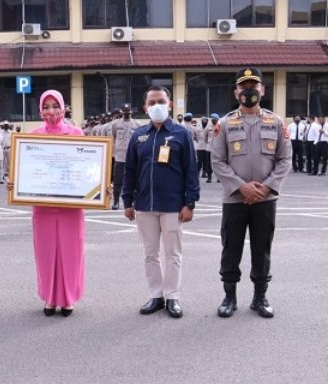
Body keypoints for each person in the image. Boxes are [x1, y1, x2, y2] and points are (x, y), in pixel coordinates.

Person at [211, 67, 291, 318]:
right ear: (236, 92)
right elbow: (218, 161)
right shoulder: (224, 124)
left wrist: (265, 187)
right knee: (231, 247)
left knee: (262, 247)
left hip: (265, 199)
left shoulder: (276, 122)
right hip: (234, 198)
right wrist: (241, 187)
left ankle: (260, 297)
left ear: (262, 90)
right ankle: (229, 297)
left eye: (253, 87)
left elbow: (284, 159)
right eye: (243, 87)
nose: (249, 91)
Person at [123, 85, 199, 319]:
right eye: (152, 102)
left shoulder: (181, 134)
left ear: (170, 104)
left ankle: (172, 297)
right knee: (150, 253)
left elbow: (191, 170)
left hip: (173, 206)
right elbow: (130, 170)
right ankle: (156, 295)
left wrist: (190, 202)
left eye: (161, 101)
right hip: (145, 205)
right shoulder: (139, 136)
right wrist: (127, 200)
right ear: (145, 107)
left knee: (173, 253)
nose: (157, 106)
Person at [9, 89, 85, 317]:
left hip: (71, 207)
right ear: (40, 110)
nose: (51, 111)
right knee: (46, 252)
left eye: (55, 106)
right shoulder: (33, 135)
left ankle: (68, 298)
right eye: (46, 106)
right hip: (42, 207)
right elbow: (27, 168)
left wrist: (100, 186)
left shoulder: (77, 134)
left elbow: (88, 166)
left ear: (64, 108)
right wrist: (16, 183)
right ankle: (51, 298)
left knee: (71, 252)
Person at [111, 103, 141, 210]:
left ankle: (134, 201)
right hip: (120, 155)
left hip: (133, 156)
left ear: (131, 111)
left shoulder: (137, 124)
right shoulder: (115, 124)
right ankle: (115, 201)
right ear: (121, 112)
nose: (127, 113)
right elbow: (114, 136)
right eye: (125, 111)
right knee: (118, 180)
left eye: (128, 111)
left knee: (134, 179)